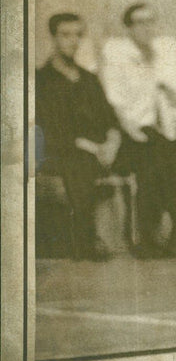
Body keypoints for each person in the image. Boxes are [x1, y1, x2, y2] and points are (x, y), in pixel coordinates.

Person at [99, 3, 176, 257]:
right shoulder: (117, 56)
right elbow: (114, 103)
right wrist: (133, 131)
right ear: (129, 28)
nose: (147, 27)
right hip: (131, 132)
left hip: (164, 130)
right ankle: (147, 238)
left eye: (151, 21)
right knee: (154, 165)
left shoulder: (164, 55)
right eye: (140, 22)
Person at [36, 13, 122, 260]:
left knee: (153, 153)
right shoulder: (42, 80)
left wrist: (112, 142)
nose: (73, 41)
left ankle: (155, 239)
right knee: (79, 164)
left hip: (100, 149)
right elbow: (49, 129)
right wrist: (93, 148)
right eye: (65, 35)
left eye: (77, 35)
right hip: (61, 150)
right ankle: (87, 240)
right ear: (53, 38)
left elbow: (110, 118)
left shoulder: (88, 79)